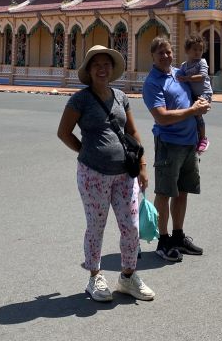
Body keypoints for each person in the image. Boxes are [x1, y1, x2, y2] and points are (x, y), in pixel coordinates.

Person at [57, 45, 155, 302]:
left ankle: (128, 276)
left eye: (106, 64)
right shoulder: (80, 100)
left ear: (112, 69)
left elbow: (133, 133)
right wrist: (86, 152)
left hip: (125, 174)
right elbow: (63, 132)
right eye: (96, 65)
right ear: (88, 70)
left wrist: (142, 165)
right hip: (94, 175)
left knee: (131, 227)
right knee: (96, 227)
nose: (102, 69)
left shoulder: (121, 97)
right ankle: (94, 276)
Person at [142, 37, 209, 262]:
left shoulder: (179, 73)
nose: (166, 56)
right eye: (160, 53)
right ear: (152, 56)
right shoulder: (152, 82)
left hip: (189, 142)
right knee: (164, 193)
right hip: (169, 144)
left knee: (182, 191)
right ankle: (163, 239)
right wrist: (192, 111)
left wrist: (203, 104)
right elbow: (161, 117)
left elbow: (201, 89)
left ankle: (178, 236)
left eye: (169, 52)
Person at [177, 34, 213, 153]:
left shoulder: (202, 62)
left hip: (204, 93)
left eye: (200, 49)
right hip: (192, 94)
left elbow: (202, 77)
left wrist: (187, 78)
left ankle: (203, 139)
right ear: (187, 50)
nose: (198, 52)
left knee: (197, 113)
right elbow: (178, 76)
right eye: (195, 49)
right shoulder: (184, 66)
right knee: (188, 113)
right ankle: (193, 137)